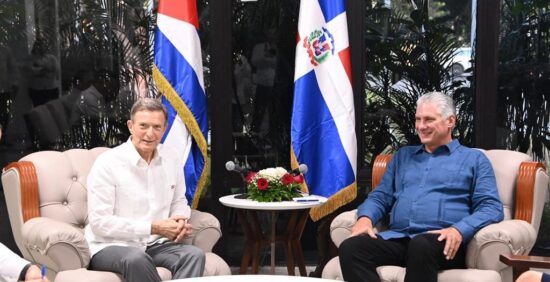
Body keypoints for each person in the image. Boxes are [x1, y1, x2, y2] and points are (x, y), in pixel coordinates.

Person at [338, 92, 504, 282]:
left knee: (421, 244)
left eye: (428, 120)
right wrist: (365, 219)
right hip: (400, 238)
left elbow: (491, 207)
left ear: (450, 121)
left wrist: (458, 230)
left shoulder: (474, 160)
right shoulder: (403, 156)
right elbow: (380, 196)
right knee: (351, 248)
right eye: (418, 119)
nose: (420, 126)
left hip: (443, 243)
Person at [85, 98, 205, 281]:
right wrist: (153, 227)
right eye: (143, 126)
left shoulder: (171, 158)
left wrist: (179, 219)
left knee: (193, 255)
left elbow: (179, 200)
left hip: (155, 243)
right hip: (111, 245)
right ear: (130, 126)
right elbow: (100, 223)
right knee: (136, 259)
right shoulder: (108, 163)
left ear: (164, 129)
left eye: (157, 127)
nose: (150, 134)